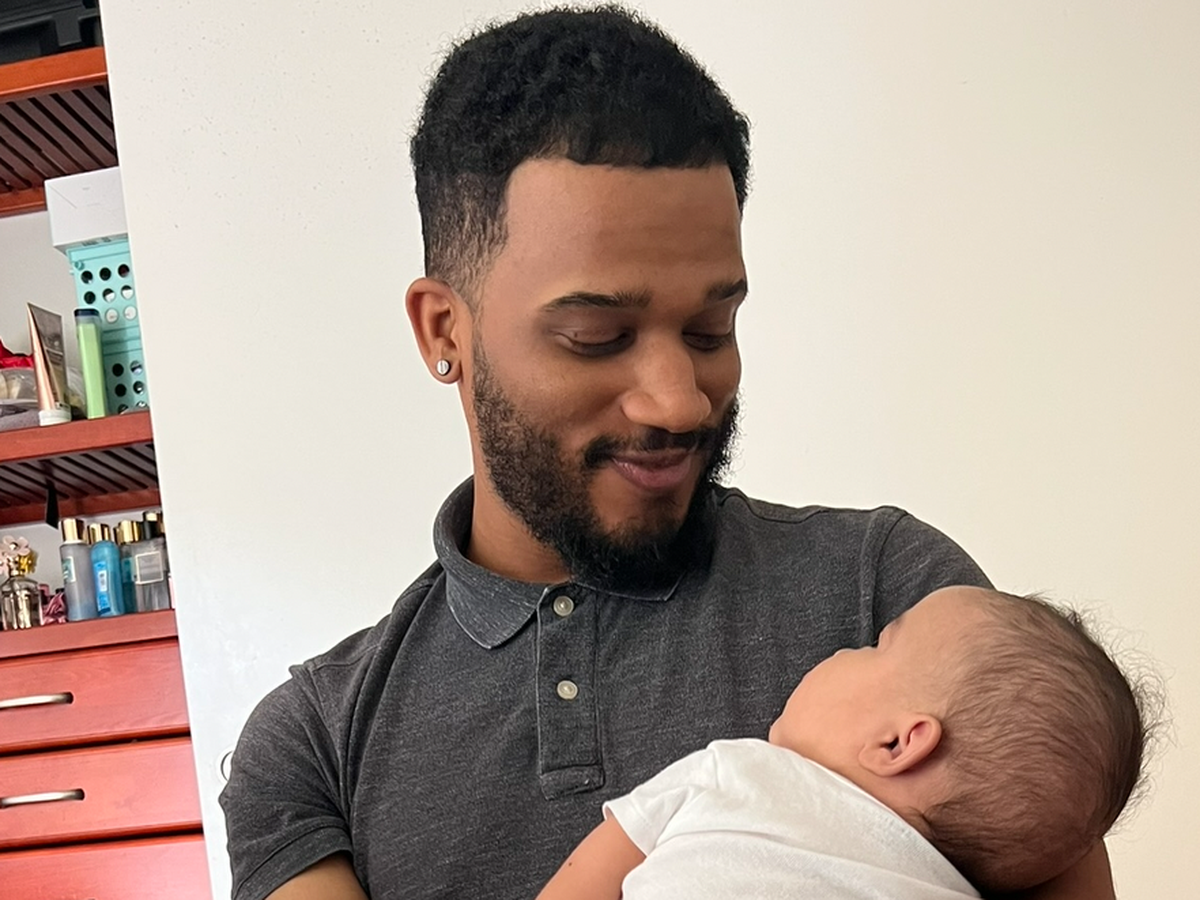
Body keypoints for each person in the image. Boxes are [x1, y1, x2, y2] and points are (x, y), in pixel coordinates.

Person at [219, 7, 1117, 899]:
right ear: (444, 330)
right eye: (597, 336)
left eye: (710, 328)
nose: (679, 399)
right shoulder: (310, 749)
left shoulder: (895, 597)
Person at [536, 586, 1148, 899]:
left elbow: (583, 884)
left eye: (876, 645)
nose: (844, 649)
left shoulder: (738, 773)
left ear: (897, 743)